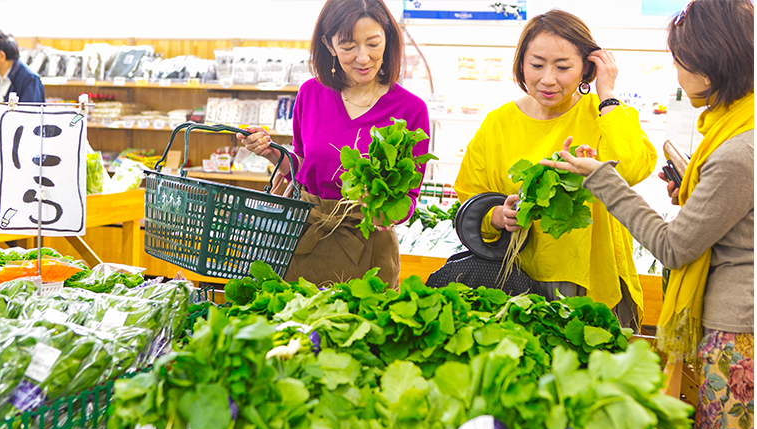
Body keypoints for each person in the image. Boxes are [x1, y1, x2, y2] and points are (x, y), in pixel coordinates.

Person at [540, 1, 754, 429]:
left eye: (680, 61)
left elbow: (674, 246)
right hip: (733, 321)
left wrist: (602, 178)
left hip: (736, 334)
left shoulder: (736, 150)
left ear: (711, 64)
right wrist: (694, 194)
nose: (677, 73)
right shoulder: (733, 126)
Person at [450, 9, 657, 330]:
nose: (548, 79)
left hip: (594, 282)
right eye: (536, 65)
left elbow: (630, 168)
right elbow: (470, 200)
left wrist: (607, 94)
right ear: (521, 64)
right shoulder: (498, 124)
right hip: (517, 284)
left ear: (586, 67)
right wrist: (498, 216)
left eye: (562, 67)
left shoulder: (604, 114)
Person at [237, 0, 430, 289]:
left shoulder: (410, 109)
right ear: (329, 45)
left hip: (369, 250)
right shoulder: (311, 93)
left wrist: (383, 210)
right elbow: (303, 167)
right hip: (306, 239)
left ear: (388, 39)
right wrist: (271, 152)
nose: (363, 58)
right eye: (348, 46)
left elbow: (408, 197)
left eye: (373, 44)